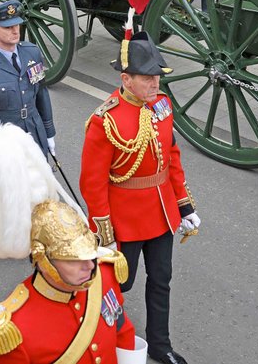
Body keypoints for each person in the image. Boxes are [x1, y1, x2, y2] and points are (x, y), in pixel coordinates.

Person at [80, 24, 200, 364]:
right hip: (125, 221)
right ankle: (110, 341)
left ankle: (160, 345)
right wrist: (104, 233)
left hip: (162, 214)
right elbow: (92, 183)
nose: (155, 84)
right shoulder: (105, 121)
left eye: (157, 77)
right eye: (147, 78)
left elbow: (171, 158)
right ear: (126, 79)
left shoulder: (161, 105)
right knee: (119, 287)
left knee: (161, 280)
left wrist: (185, 205)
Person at [0, 201, 140, 363]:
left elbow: (122, 330)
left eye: (90, 253)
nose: (89, 265)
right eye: (73, 260)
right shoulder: (14, 328)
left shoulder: (104, 276)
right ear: (43, 260)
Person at [0, 0, 56, 158]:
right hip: (4, 145)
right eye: (8, 27)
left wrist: (49, 132)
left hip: (34, 135)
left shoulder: (32, 53)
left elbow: (42, 94)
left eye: (17, 25)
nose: (15, 31)